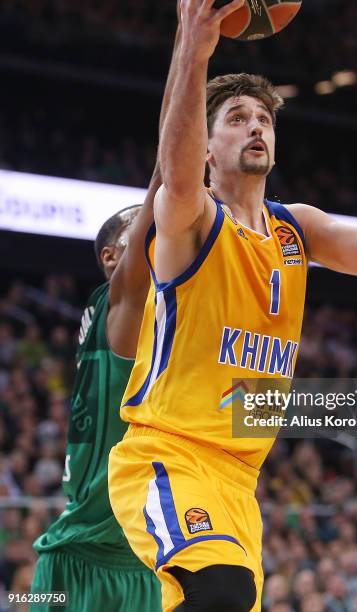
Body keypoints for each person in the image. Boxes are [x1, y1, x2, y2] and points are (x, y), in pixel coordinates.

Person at [108, 1, 357, 610]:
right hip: (169, 453)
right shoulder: (193, 220)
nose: (255, 126)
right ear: (207, 146)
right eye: (235, 118)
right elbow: (175, 178)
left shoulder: (295, 229)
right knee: (220, 590)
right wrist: (195, 51)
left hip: (241, 478)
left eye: (263, 118)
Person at [29, 23, 181, 612]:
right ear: (111, 258)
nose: (158, 231)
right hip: (81, 561)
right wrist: (188, 51)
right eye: (140, 228)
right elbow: (168, 174)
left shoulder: (158, 318)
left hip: (145, 563)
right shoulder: (119, 301)